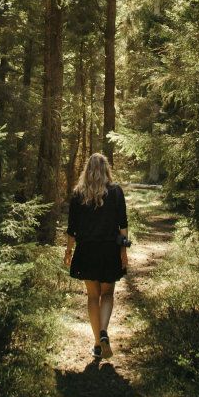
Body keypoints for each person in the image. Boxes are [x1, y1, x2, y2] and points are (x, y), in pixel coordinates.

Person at [63, 152, 129, 359]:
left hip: (86, 250)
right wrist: (123, 252)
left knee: (93, 296)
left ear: (87, 171)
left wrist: (68, 251)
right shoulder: (116, 192)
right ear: (106, 169)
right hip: (109, 250)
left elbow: (72, 229)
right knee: (107, 294)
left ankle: (97, 344)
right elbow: (123, 226)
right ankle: (103, 333)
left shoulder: (78, 194)